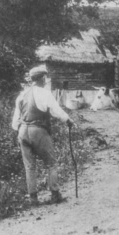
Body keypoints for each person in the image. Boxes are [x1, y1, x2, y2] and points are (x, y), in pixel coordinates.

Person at [12, 65, 75, 205]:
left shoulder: (21, 95)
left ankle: (33, 198)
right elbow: (56, 110)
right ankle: (55, 194)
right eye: (45, 78)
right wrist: (68, 120)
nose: (46, 81)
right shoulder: (44, 93)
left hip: (22, 130)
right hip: (38, 130)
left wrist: (23, 130)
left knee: (29, 166)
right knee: (51, 163)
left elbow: (14, 123)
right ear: (41, 79)